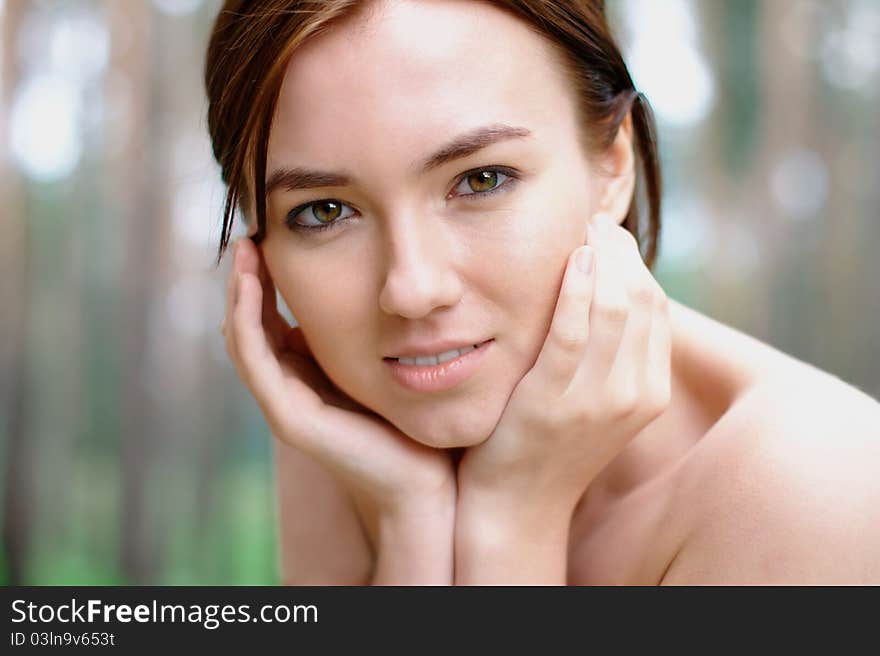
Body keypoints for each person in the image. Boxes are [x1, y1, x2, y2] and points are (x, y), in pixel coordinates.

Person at [206, 0, 880, 584]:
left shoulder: (814, 491)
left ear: (614, 167)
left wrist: (510, 523)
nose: (410, 291)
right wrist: (411, 520)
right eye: (324, 212)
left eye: (480, 180)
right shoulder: (343, 418)